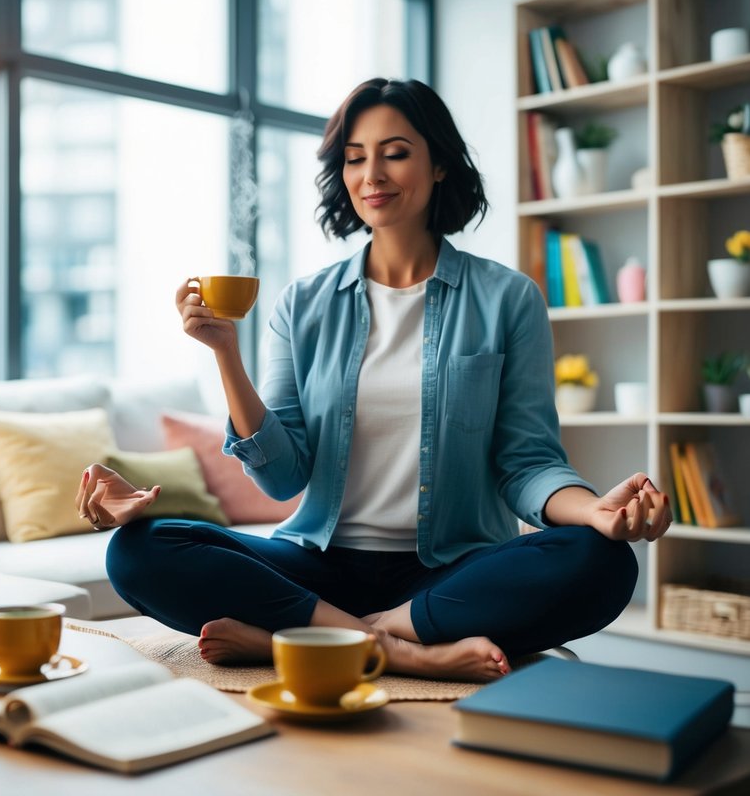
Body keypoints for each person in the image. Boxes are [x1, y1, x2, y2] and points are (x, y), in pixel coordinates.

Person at [74, 77, 670, 681]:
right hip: (316, 567)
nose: (372, 175)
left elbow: (527, 463)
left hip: (451, 572)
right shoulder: (302, 303)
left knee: (603, 561)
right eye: (355, 158)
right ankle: (402, 650)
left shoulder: (507, 298)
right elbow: (282, 477)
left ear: (439, 164)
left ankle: (312, 639)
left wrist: (594, 511)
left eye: (396, 153)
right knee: (138, 551)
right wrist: (226, 354)